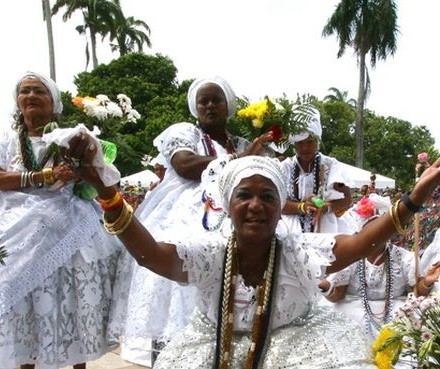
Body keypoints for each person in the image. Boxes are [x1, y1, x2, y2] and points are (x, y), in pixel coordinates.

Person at [62, 131, 440, 368]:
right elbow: (151, 255)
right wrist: (106, 191)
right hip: (208, 348)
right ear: (227, 205)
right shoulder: (210, 254)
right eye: (244, 195)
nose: (255, 205)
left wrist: (414, 198)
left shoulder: (298, 251)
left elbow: (361, 243)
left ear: (281, 207)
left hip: (298, 345)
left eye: (267, 197)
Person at [106, 76, 272, 366]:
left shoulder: (242, 141)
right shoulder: (184, 132)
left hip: (232, 218)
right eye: (203, 100)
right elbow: (184, 166)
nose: (209, 105)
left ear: (227, 106)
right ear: (195, 107)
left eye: (216, 99)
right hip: (183, 218)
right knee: (174, 300)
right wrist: (240, 159)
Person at [0, 72, 121, 369]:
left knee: (73, 299)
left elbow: (94, 172)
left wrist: (80, 166)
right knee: (22, 306)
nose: (29, 96)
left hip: (69, 222)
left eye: (38, 91)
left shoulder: (70, 137)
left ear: (53, 103)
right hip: (15, 222)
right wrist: (44, 176)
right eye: (24, 91)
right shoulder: (6, 140)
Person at [318, 194, 440, 341]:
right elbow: (338, 295)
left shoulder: (405, 257)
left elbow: (417, 292)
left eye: (381, 230)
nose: (377, 235)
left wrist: (427, 281)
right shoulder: (350, 258)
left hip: (395, 315)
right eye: (371, 231)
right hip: (354, 314)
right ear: (361, 232)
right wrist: (326, 287)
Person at [280, 109, 353, 233]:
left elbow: (347, 200)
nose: (305, 147)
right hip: (290, 232)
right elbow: (276, 204)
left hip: (326, 230)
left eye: (310, 142)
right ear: (294, 144)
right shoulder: (284, 167)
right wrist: (301, 206)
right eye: (300, 143)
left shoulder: (331, 165)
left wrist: (325, 208)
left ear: (317, 141)